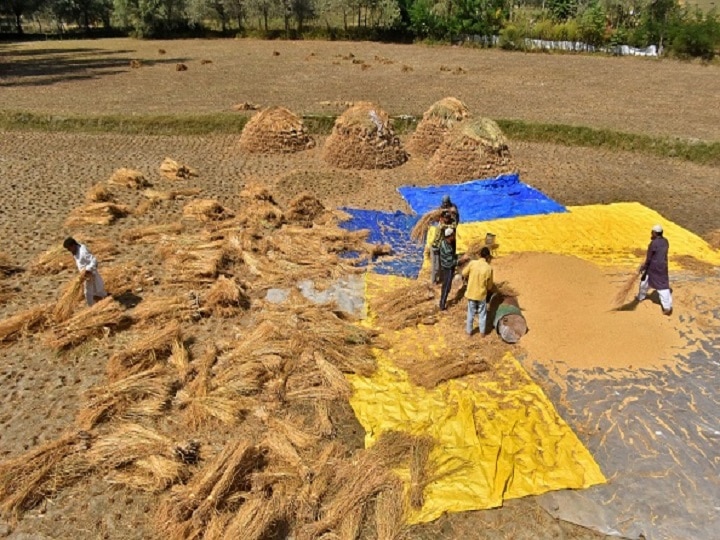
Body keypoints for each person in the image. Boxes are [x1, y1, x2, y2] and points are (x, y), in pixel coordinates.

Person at [637, 224, 672, 315]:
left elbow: (649, 258)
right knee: (663, 285)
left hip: (653, 267)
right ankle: (667, 306)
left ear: (655, 233)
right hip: (663, 267)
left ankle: (641, 297)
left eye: (652, 233)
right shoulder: (665, 241)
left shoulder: (653, 243)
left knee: (645, 282)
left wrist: (644, 267)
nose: (651, 234)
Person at [63, 237, 107, 306]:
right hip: (86, 275)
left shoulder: (83, 252)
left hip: (89, 275)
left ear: (73, 245)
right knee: (96, 290)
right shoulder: (76, 250)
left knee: (88, 293)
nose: (69, 250)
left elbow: (94, 261)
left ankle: (92, 308)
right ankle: (104, 300)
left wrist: (87, 270)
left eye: (69, 248)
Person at [462, 247, 494, 336]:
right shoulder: (489, 268)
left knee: (470, 313)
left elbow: (464, 273)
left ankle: (469, 332)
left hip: (471, 293)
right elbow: (490, 286)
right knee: (482, 314)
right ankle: (482, 333)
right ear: (488, 257)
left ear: (479, 255)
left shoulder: (472, 263)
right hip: (481, 295)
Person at [430, 211, 454, 285]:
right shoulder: (440, 225)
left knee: (440, 265)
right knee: (436, 267)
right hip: (434, 248)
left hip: (439, 248)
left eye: (448, 218)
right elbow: (448, 226)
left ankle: (440, 279)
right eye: (446, 218)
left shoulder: (443, 225)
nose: (447, 220)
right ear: (442, 218)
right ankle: (433, 282)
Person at [438, 226, 457, 311]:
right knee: (447, 286)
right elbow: (451, 262)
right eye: (453, 235)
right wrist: (461, 260)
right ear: (450, 236)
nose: (454, 236)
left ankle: (442, 302)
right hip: (448, 268)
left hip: (444, 267)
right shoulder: (447, 249)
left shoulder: (443, 243)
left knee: (445, 285)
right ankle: (442, 305)